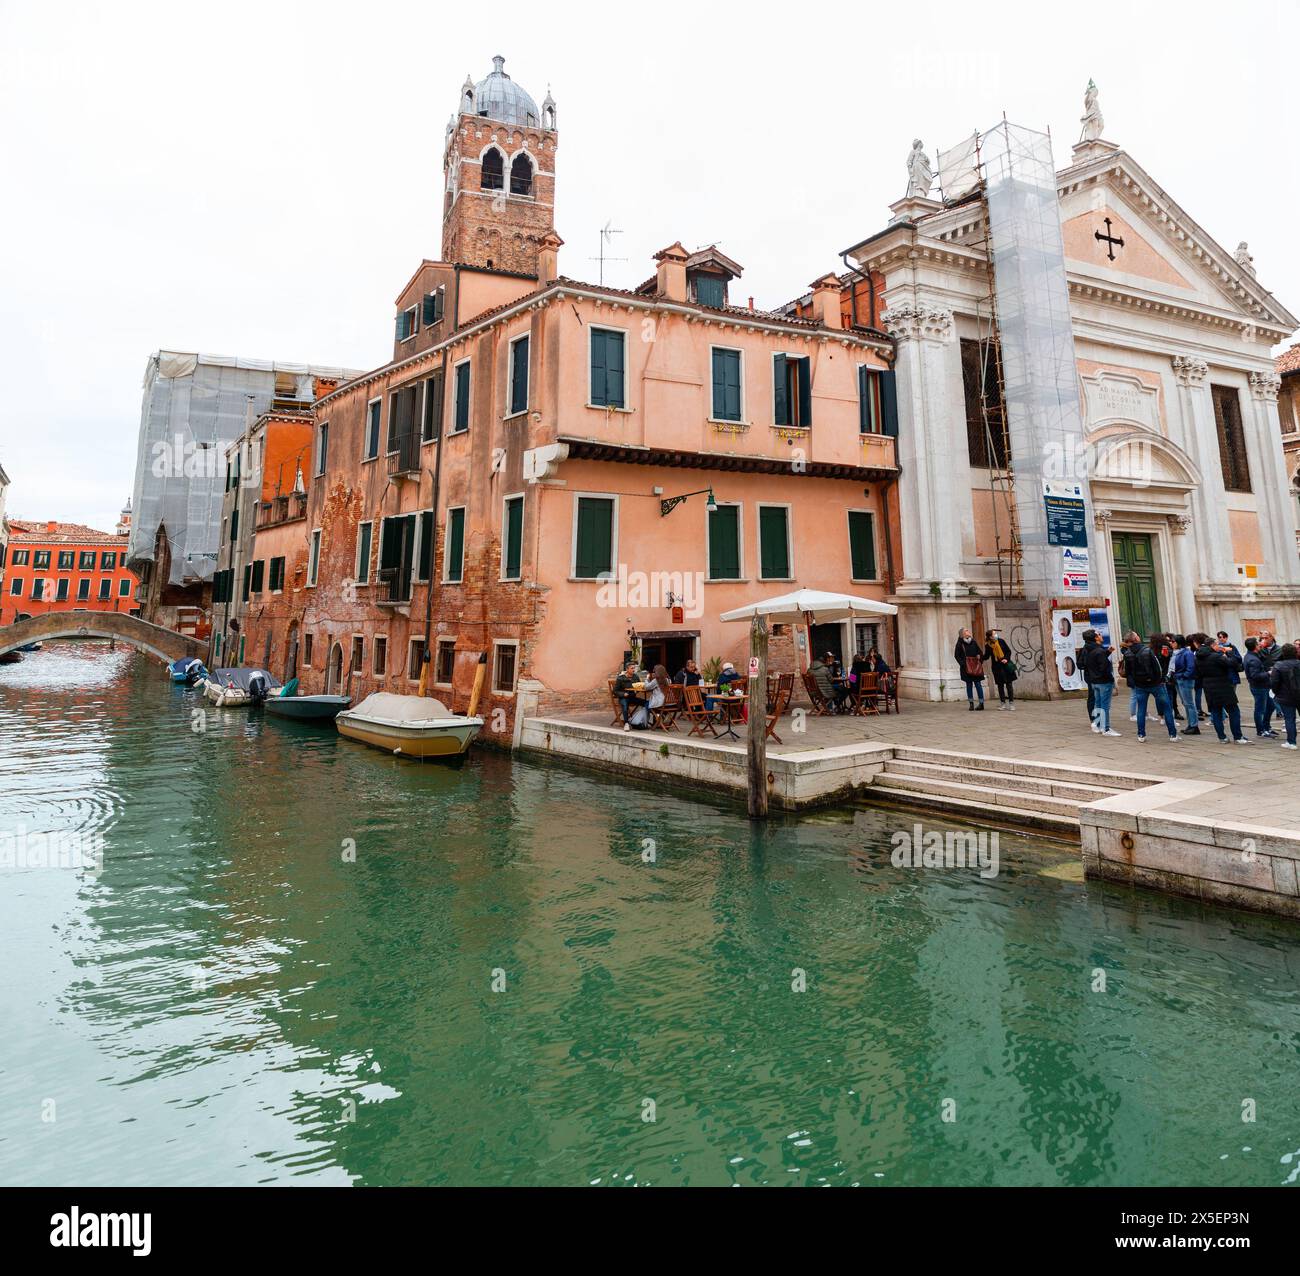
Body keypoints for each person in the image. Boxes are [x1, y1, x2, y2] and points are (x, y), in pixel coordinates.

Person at [1193, 632, 1249, 744]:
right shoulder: (1216, 656)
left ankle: (1222, 737)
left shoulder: (1198, 657)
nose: (1219, 646)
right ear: (1212, 646)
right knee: (1234, 711)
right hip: (1223, 685)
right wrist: (1229, 652)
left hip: (1208, 687)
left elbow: (1197, 674)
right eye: (1217, 645)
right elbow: (1232, 664)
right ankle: (1238, 737)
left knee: (1216, 712)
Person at [1124, 632, 1180, 742]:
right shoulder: (1147, 650)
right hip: (1156, 684)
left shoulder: (1127, 653)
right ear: (1136, 638)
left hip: (1140, 685)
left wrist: (1135, 682)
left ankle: (1141, 735)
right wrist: (1160, 680)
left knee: (1141, 709)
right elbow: (1157, 668)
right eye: (1137, 635)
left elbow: (1128, 672)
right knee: (1167, 707)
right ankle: (1173, 735)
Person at [1081, 628, 1120, 736]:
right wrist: (1111, 679)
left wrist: (1107, 652)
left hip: (1094, 681)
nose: (1101, 635)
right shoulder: (1098, 650)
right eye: (1098, 634)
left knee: (1098, 704)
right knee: (1105, 706)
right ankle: (1106, 729)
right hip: (1103, 682)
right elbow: (1104, 667)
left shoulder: (1088, 649)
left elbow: (1094, 662)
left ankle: (1098, 724)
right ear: (1095, 638)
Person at [1243, 637, 1278, 739]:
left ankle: (1266, 727)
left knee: (1271, 706)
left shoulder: (1251, 655)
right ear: (1254, 646)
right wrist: (1268, 673)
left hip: (1263, 686)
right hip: (1259, 687)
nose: (1260, 645)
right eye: (1258, 644)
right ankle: (1261, 730)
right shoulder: (1253, 659)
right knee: (1260, 710)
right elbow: (1255, 676)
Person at [1267, 642, 1300, 749]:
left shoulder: (1278, 666)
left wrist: (1277, 692)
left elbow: (1274, 683)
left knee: (1289, 719)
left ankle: (1291, 742)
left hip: (1286, 696)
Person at [1169, 634, 1200, 733]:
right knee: (1185, 703)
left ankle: (1194, 726)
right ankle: (1190, 725)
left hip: (1185, 680)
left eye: (1173, 642)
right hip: (1178, 680)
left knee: (1189, 703)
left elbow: (1191, 667)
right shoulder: (1175, 653)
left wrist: (1183, 676)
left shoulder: (1187, 653)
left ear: (1179, 643)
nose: (1171, 643)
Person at [983, 627, 1017, 710]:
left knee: (1009, 684)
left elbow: (1008, 651)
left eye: (995, 633)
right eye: (994, 634)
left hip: (1005, 665)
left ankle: (1011, 703)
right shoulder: (988, 645)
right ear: (990, 637)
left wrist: (1006, 658)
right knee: (1000, 685)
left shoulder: (1001, 641)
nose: (996, 635)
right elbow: (986, 656)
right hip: (996, 667)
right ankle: (1003, 704)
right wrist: (979, 657)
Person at [954, 628, 985, 711]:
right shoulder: (959, 643)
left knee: (978, 684)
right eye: (966, 631)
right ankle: (971, 704)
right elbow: (957, 656)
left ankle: (981, 703)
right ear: (962, 634)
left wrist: (979, 658)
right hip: (966, 668)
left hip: (976, 667)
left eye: (968, 630)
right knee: (969, 685)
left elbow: (980, 652)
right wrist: (963, 664)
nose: (968, 632)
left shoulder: (973, 642)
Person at [613, 661, 646, 731]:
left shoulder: (636, 676)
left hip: (632, 697)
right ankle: (626, 724)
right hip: (624, 698)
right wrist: (623, 694)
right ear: (627, 669)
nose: (634, 670)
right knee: (625, 706)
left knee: (647, 703)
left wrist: (637, 690)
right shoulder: (620, 678)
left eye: (634, 668)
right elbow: (615, 691)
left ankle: (652, 720)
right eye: (632, 668)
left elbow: (639, 686)